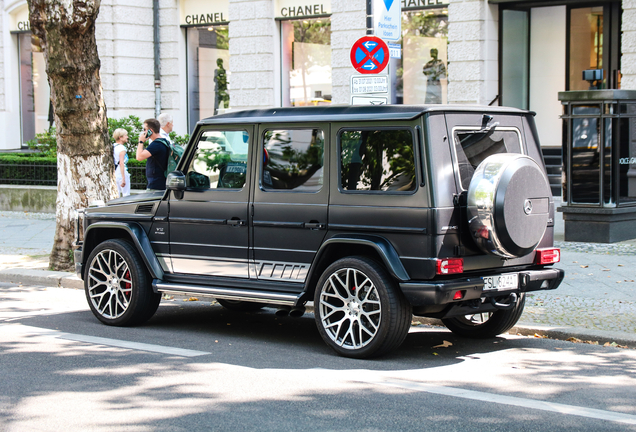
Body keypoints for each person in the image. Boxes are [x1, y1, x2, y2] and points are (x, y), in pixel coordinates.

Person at [136, 118, 170, 191]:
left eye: (145, 129)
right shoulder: (164, 142)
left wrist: (141, 142)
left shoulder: (156, 145)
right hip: (162, 183)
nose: (144, 132)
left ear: (150, 130)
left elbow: (139, 157)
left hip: (155, 185)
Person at [112, 128, 131, 197]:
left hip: (115, 173)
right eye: (126, 135)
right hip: (122, 172)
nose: (127, 137)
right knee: (126, 195)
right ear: (120, 137)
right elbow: (121, 163)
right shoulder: (122, 148)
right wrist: (123, 178)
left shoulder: (113, 146)